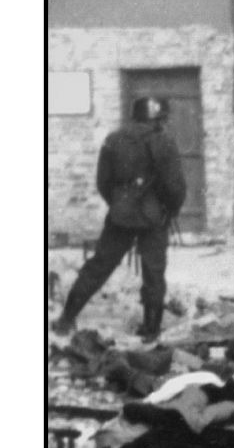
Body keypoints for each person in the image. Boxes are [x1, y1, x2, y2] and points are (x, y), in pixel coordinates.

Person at [54, 96, 188, 341]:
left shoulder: (113, 140)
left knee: (99, 266)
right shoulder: (165, 142)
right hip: (154, 217)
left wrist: (119, 204)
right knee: (154, 272)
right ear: (158, 119)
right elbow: (175, 186)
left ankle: (66, 318)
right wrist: (169, 209)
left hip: (120, 216)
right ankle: (151, 331)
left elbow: (103, 182)